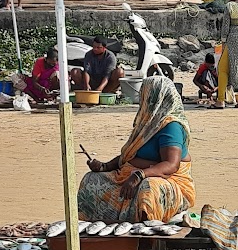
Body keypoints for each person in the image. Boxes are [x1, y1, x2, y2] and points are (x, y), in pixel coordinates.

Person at [78, 76, 196, 223]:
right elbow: (128, 156)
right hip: (132, 174)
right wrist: (104, 166)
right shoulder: (147, 123)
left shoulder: (171, 126)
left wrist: (139, 176)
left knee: (149, 188)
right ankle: (95, 228)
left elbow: (172, 165)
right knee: (91, 180)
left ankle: (146, 237)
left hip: (170, 182)